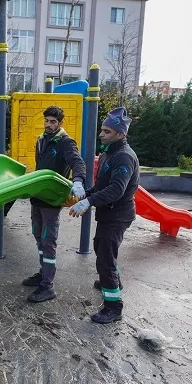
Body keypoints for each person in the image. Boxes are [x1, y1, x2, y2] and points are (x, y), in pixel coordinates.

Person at [69, 107, 140, 324]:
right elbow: (102, 186)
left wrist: (88, 202)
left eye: (107, 131)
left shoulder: (123, 157)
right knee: (101, 248)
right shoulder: (109, 152)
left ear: (120, 133)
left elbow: (116, 190)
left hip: (118, 215)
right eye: (102, 130)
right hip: (108, 214)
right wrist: (85, 194)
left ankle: (113, 307)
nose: (101, 134)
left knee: (105, 259)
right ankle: (113, 281)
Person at [21, 105, 87, 303]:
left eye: (53, 122)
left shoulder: (66, 142)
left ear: (60, 123)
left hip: (51, 200)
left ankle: (48, 286)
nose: (48, 125)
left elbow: (78, 162)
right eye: (46, 121)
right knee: (38, 236)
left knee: (48, 240)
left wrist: (78, 181)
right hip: (38, 197)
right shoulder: (41, 140)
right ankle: (44, 272)